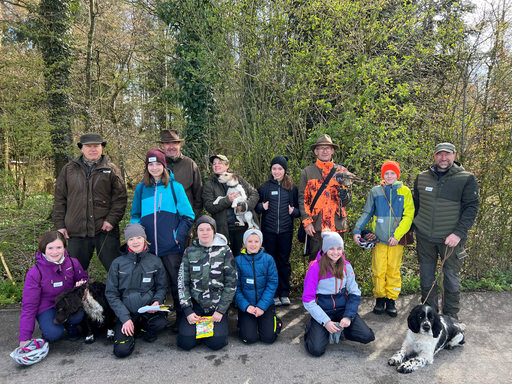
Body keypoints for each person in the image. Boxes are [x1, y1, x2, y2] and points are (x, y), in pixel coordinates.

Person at [130, 148, 195, 332]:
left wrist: (177, 238)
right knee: (152, 284)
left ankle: (182, 317)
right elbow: (135, 215)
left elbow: (188, 216)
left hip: (171, 247)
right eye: (151, 164)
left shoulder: (175, 187)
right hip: (148, 249)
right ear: (147, 167)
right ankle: (156, 319)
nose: (155, 167)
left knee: (177, 284)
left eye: (158, 164)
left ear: (164, 166)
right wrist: (139, 236)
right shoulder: (141, 188)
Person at [413, 143, 479, 320]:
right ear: (434, 156)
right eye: (439, 154)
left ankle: (451, 314)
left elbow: (471, 209)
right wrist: (412, 228)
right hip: (425, 238)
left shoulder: (466, 178)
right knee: (427, 277)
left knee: (450, 277)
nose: (443, 158)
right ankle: (430, 313)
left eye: (447, 154)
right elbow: (415, 206)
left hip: (451, 240)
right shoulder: (421, 177)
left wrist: (458, 233)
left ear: (454, 155)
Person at [53, 132, 128, 272]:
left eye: (96, 146)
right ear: (82, 148)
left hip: (105, 230)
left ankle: (120, 294)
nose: (92, 149)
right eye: (89, 146)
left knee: (117, 271)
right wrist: (60, 225)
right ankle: (76, 294)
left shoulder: (111, 170)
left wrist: (111, 220)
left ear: (102, 148)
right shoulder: (69, 169)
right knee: (72, 273)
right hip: (75, 231)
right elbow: (59, 199)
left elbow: (120, 199)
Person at [353, 161, 414, 317]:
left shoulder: (405, 191)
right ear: (382, 175)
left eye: (392, 173)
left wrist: (397, 235)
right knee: (378, 270)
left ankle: (391, 300)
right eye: (386, 173)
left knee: (393, 271)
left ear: (398, 174)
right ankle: (379, 298)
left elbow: (409, 216)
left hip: (396, 242)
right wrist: (357, 230)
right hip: (379, 240)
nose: (389, 176)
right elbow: (367, 212)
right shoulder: (376, 191)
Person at [302, 231, 375, 357]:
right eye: (331, 248)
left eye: (339, 248)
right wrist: (325, 322)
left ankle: (341, 330)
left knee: (368, 336)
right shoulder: (315, 268)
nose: (336, 252)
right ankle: (314, 329)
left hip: (342, 309)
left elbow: (355, 293)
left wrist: (348, 316)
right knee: (316, 350)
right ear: (325, 249)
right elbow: (308, 299)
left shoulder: (347, 267)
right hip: (323, 310)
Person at [105, 224, 169, 358]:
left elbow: (162, 287)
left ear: (145, 239)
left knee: (161, 322)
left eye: (139, 237)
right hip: (127, 313)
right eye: (131, 239)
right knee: (121, 351)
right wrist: (125, 318)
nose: (135, 242)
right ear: (126, 242)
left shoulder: (155, 261)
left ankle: (145, 330)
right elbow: (111, 294)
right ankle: (131, 329)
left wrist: (157, 301)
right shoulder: (117, 263)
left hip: (148, 309)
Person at [177, 215, 237, 351]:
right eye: (201, 230)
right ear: (196, 232)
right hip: (195, 306)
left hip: (216, 306)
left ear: (214, 231)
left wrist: (221, 310)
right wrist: (187, 310)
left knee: (216, 343)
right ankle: (198, 332)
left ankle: (208, 333)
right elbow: (182, 282)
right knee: (185, 342)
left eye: (208, 229)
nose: (205, 233)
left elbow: (231, 283)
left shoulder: (225, 251)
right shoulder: (189, 251)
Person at [19, 231, 88, 347]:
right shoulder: (35, 273)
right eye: (50, 248)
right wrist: (24, 338)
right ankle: (47, 325)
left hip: (68, 304)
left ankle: (71, 325)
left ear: (64, 248)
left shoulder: (73, 263)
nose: (55, 252)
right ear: (43, 249)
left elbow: (84, 280)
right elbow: (29, 305)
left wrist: (80, 286)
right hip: (47, 306)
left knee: (78, 316)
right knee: (53, 334)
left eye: (59, 247)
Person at [298, 134, 352, 262]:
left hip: (337, 224)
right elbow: (302, 198)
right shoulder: (307, 172)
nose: (325, 151)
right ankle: (315, 283)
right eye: (321, 148)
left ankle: (337, 283)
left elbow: (347, 199)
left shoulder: (342, 171)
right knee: (316, 262)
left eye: (328, 148)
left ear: (333, 150)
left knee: (337, 261)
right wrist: (307, 221)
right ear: (316, 151)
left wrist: (345, 196)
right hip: (316, 226)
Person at [255, 155, 300, 307]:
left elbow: (299, 210)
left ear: (284, 170)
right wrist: (262, 207)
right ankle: (272, 294)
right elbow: (256, 208)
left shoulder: (292, 188)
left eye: (280, 169)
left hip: (286, 231)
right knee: (270, 263)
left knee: (283, 262)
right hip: (269, 231)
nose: (277, 171)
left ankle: (284, 293)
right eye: (274, 168)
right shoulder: (265, 187)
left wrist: (294, 212)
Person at [203, 154, 259, 256]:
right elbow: (209, 206)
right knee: (225, 262)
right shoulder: (210, 184)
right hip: (223, 230)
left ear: (227, 166)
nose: (216, 165)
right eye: (214, 164)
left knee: (243, 259)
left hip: (243, 228)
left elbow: (254, 194)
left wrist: (245, 206)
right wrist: (227, 201)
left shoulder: (238, 179)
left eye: (220, 163)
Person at [158, 129, 203, 246]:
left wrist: (191, 218)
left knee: (184, 256)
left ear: (179, 144)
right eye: (167, 143)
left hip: (184, 221)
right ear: (162, 145)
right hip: (161, 221)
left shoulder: (190, 164)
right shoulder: (156, 166)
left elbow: (198, 194)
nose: (171, 147)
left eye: (174, 143)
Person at [235, 229, 279, 344]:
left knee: (269, 338)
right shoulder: (237, 261)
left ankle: (272, 319)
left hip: (265, 305)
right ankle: (242, 321)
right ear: (244, 243)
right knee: (249, 339)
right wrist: (246, 306)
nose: (253, 245)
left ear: (261, 243)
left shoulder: (268, 259)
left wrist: (261, 306)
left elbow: (272, 284)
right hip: (247, 306)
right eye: (250, 241)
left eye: (256, 241)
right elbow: (235, 288)